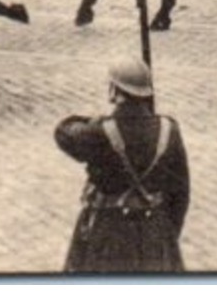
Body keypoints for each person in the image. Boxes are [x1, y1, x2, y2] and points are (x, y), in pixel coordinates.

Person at [55, 58, 190, 272]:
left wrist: (93, 120)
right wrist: (166, 233)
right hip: (155, 230)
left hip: (109, 232)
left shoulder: (100, 132)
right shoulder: (168, 129)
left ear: (114, 91)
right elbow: (181, 193)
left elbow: (64, 133)